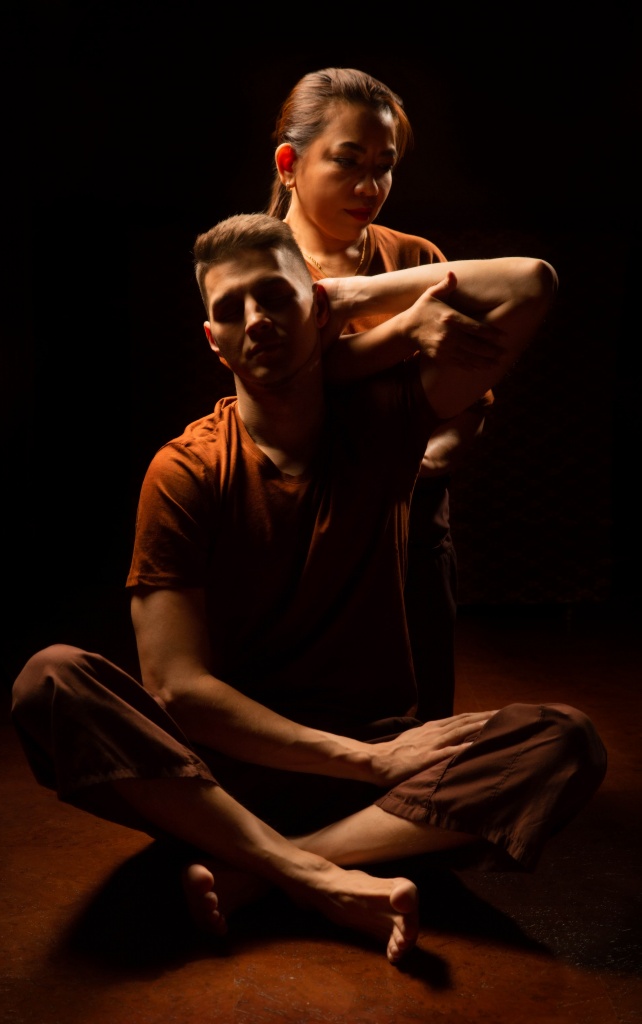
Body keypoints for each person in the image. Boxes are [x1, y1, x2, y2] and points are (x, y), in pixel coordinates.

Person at [11, 213, 606, 966]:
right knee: (51, 681)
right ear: (214, 341)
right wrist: (364, 763)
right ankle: (316, 874)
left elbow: (528, 285)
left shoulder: (386, 417)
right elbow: (178, 689)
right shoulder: (186, 469)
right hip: (224, 769)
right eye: (231, 309)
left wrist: (350, 300)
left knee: (563, 742)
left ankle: (260, 868)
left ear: (319, 306)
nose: (256, 320)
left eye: (275, 296)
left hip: (368, 758)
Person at [267, 66, 493, 721]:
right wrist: (404, 333)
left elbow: (470, 400)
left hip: (413, 535)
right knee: (308, 729)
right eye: (348, 161)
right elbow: (276, 395)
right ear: (290, 164)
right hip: (299, 544)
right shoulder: (251, 265)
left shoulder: (419, 259)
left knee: (423, 724)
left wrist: (423, 464)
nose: (371, 188)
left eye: (384, 167)